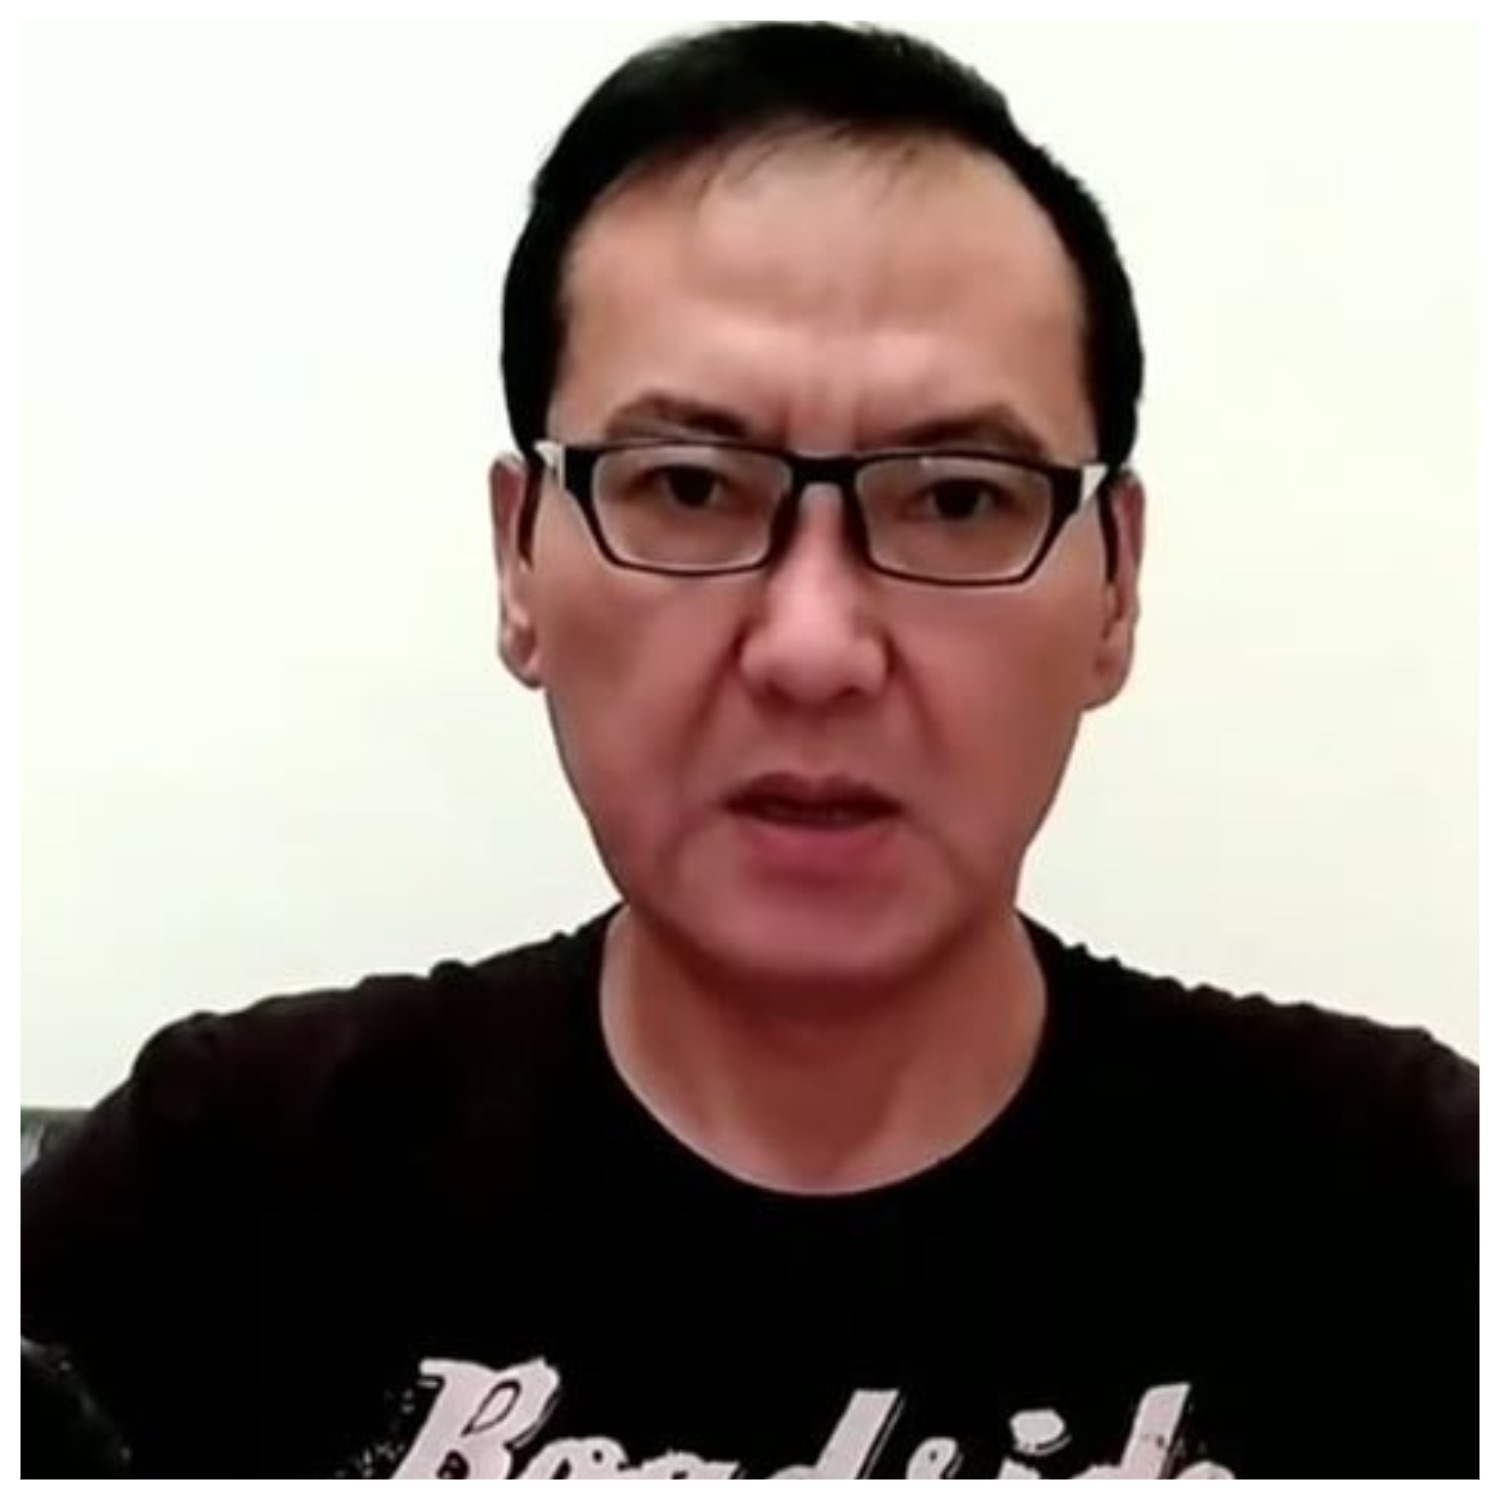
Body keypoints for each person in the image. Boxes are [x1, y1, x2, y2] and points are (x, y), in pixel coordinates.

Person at [22, 21, 1475, 1480]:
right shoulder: (217, 1205)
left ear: (1116, 585)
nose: (814, 647)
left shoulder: (1413, 1222)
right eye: (688, 486)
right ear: (520, 562)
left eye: (957, 500)